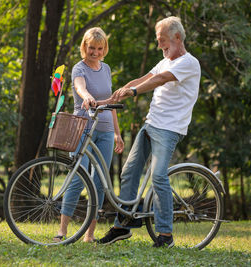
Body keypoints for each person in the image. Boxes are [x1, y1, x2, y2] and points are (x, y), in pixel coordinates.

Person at [98, 16, 201, 247]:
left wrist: (133, 92)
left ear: (177, 37)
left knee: (158, 177)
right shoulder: (164, 60)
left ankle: (165, 235)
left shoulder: (189, 63)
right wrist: (121, 91)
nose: (159, 45)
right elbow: (147, 78)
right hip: (151, 123)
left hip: (169, 129)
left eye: (162, 40)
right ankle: (122, 226)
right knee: (129, 172)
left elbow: (161, 80)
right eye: (157, 41)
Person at [53, 27, 124, 243]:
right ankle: (62, 232)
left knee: (99, 182)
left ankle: (90, 235)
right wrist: (87, 97)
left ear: (105, 49)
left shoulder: (106, 68)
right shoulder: (78, 68)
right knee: (77, 176)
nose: (95, 52)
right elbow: (79, 86)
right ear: (85, 46)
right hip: (82, 127)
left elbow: (111, 102)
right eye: (91, 47)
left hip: (105, 130)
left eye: (99, 48)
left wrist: (117, 134)